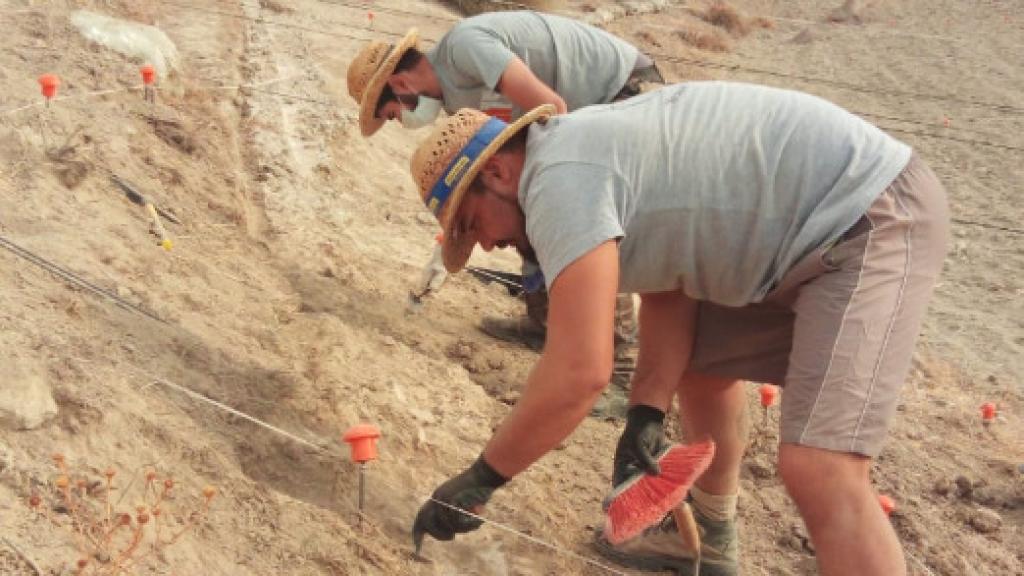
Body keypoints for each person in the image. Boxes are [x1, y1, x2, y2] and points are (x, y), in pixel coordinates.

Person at [405, 81, 950, 576]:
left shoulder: (557, 182)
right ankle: (714, 544)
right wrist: (645, 410)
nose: (487, 246)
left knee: (821, 466)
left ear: (497, 173)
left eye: (473, 224)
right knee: (704, 370)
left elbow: (579, 371)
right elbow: (670, 285)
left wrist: (482, 478)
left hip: (865, 217)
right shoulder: (579, 158)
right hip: (798, 237)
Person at [346, 11, 664, 354]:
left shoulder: (464, 48)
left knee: (584, 217)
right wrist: (451, 242)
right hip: (581, 113)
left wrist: (561, 196)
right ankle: (542, 322)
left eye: (394, 114)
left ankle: (615, 353)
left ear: (400, 85)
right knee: (522, 202)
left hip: (620, 92)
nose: (405, 121)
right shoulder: (457, 102)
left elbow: (553, 109)